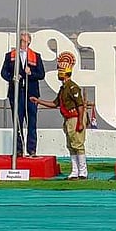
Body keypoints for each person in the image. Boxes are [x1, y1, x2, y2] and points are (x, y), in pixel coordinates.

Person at [31, 52, 87, 180]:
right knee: (71, 145)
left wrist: (80, 121)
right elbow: (55, 103)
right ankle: (75, 170)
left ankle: (83, 170)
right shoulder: (63, 89)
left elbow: (80, 105)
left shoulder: (73, 87)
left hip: (74, 117)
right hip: (67, 118)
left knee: (78, 144)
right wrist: (39, 101)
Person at [1, 32, 46, 157]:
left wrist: (31, 73)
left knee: (32, 122)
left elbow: (41, 74)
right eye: (20, 41)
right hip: (16, 94)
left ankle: (32, 150)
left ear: (29, 43)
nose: (22, 44)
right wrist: (12, 77)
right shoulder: (10, 56)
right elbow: (3, 73)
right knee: (17, 122)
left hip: (31, 94)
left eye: (25, 41)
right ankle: (18, 150)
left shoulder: (36, 56)